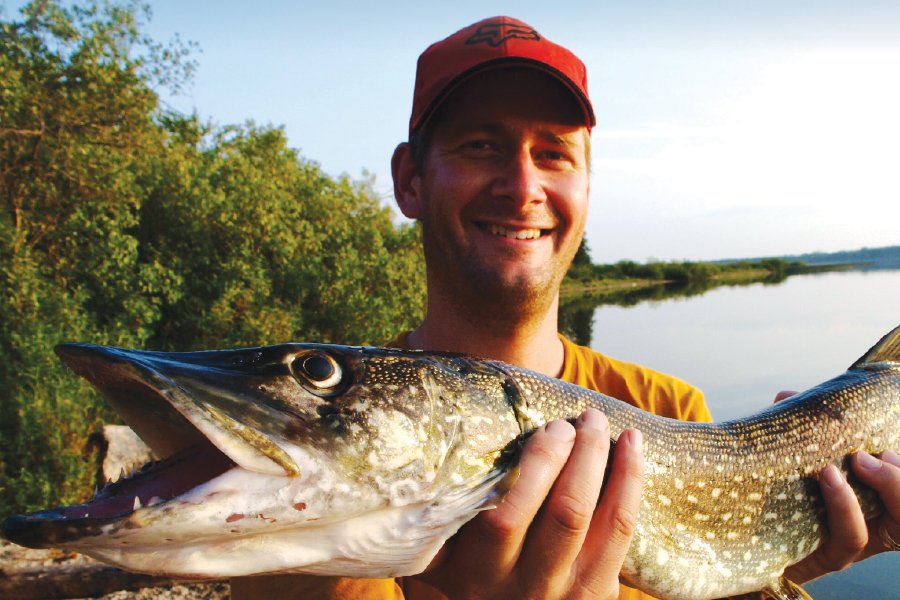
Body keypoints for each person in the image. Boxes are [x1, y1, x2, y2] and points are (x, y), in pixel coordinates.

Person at [231, 16, 900, 600]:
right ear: (410, 179)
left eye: (552, 153)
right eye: (480, 145)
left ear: (585, 188)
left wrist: (767, 572)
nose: (522, 186)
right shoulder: (306, 485)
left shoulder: (671, 407)